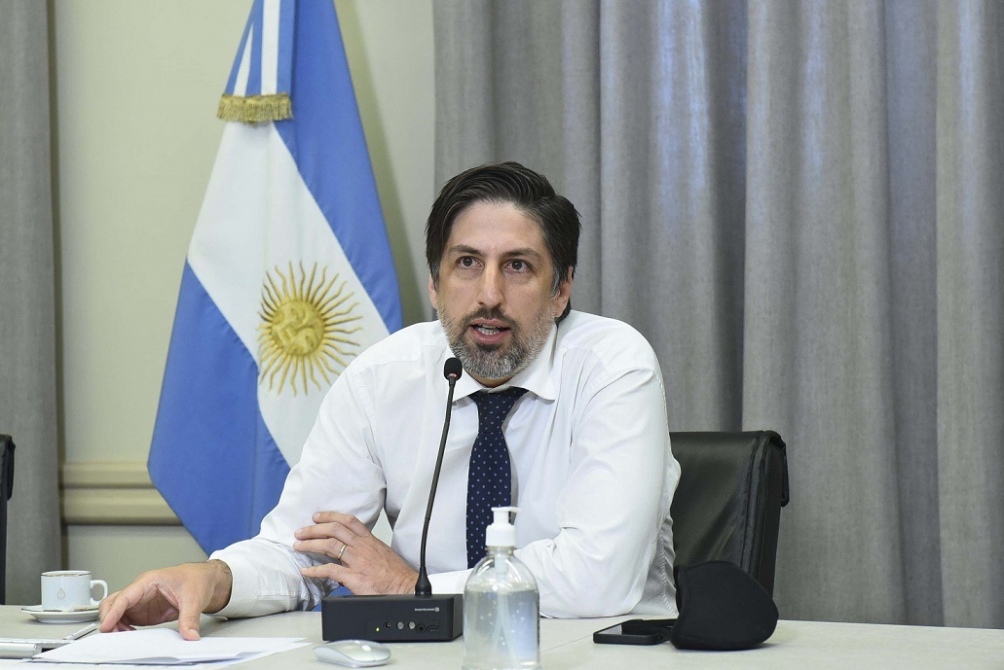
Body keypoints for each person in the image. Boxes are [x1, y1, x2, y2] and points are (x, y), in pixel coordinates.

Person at [99, 161, 681, 640]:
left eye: (518, 267)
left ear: (561, 290)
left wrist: (412, 588)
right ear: (435, 284)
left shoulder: (613, 367)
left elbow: (597, 579)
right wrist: (216, 578)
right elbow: (304, 553)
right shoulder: (383, 377)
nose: (489, 295)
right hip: (429, 655)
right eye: (467, 263)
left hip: (602, 652)